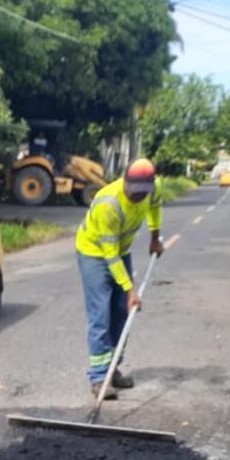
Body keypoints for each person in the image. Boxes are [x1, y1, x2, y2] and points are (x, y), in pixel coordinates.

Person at [75, 158, 165, 398]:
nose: (137, 197)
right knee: (100, 316)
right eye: (134, 192)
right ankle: (98, 379)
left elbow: (155, 207)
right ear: (125, 181)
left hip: (121, 251)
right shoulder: (109, 204)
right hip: (95, 253)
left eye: (142, 193)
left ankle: (112, 369)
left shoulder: (151, 191)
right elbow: (109, 255)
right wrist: (129, 290)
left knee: (122, 314)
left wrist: (155, 237)